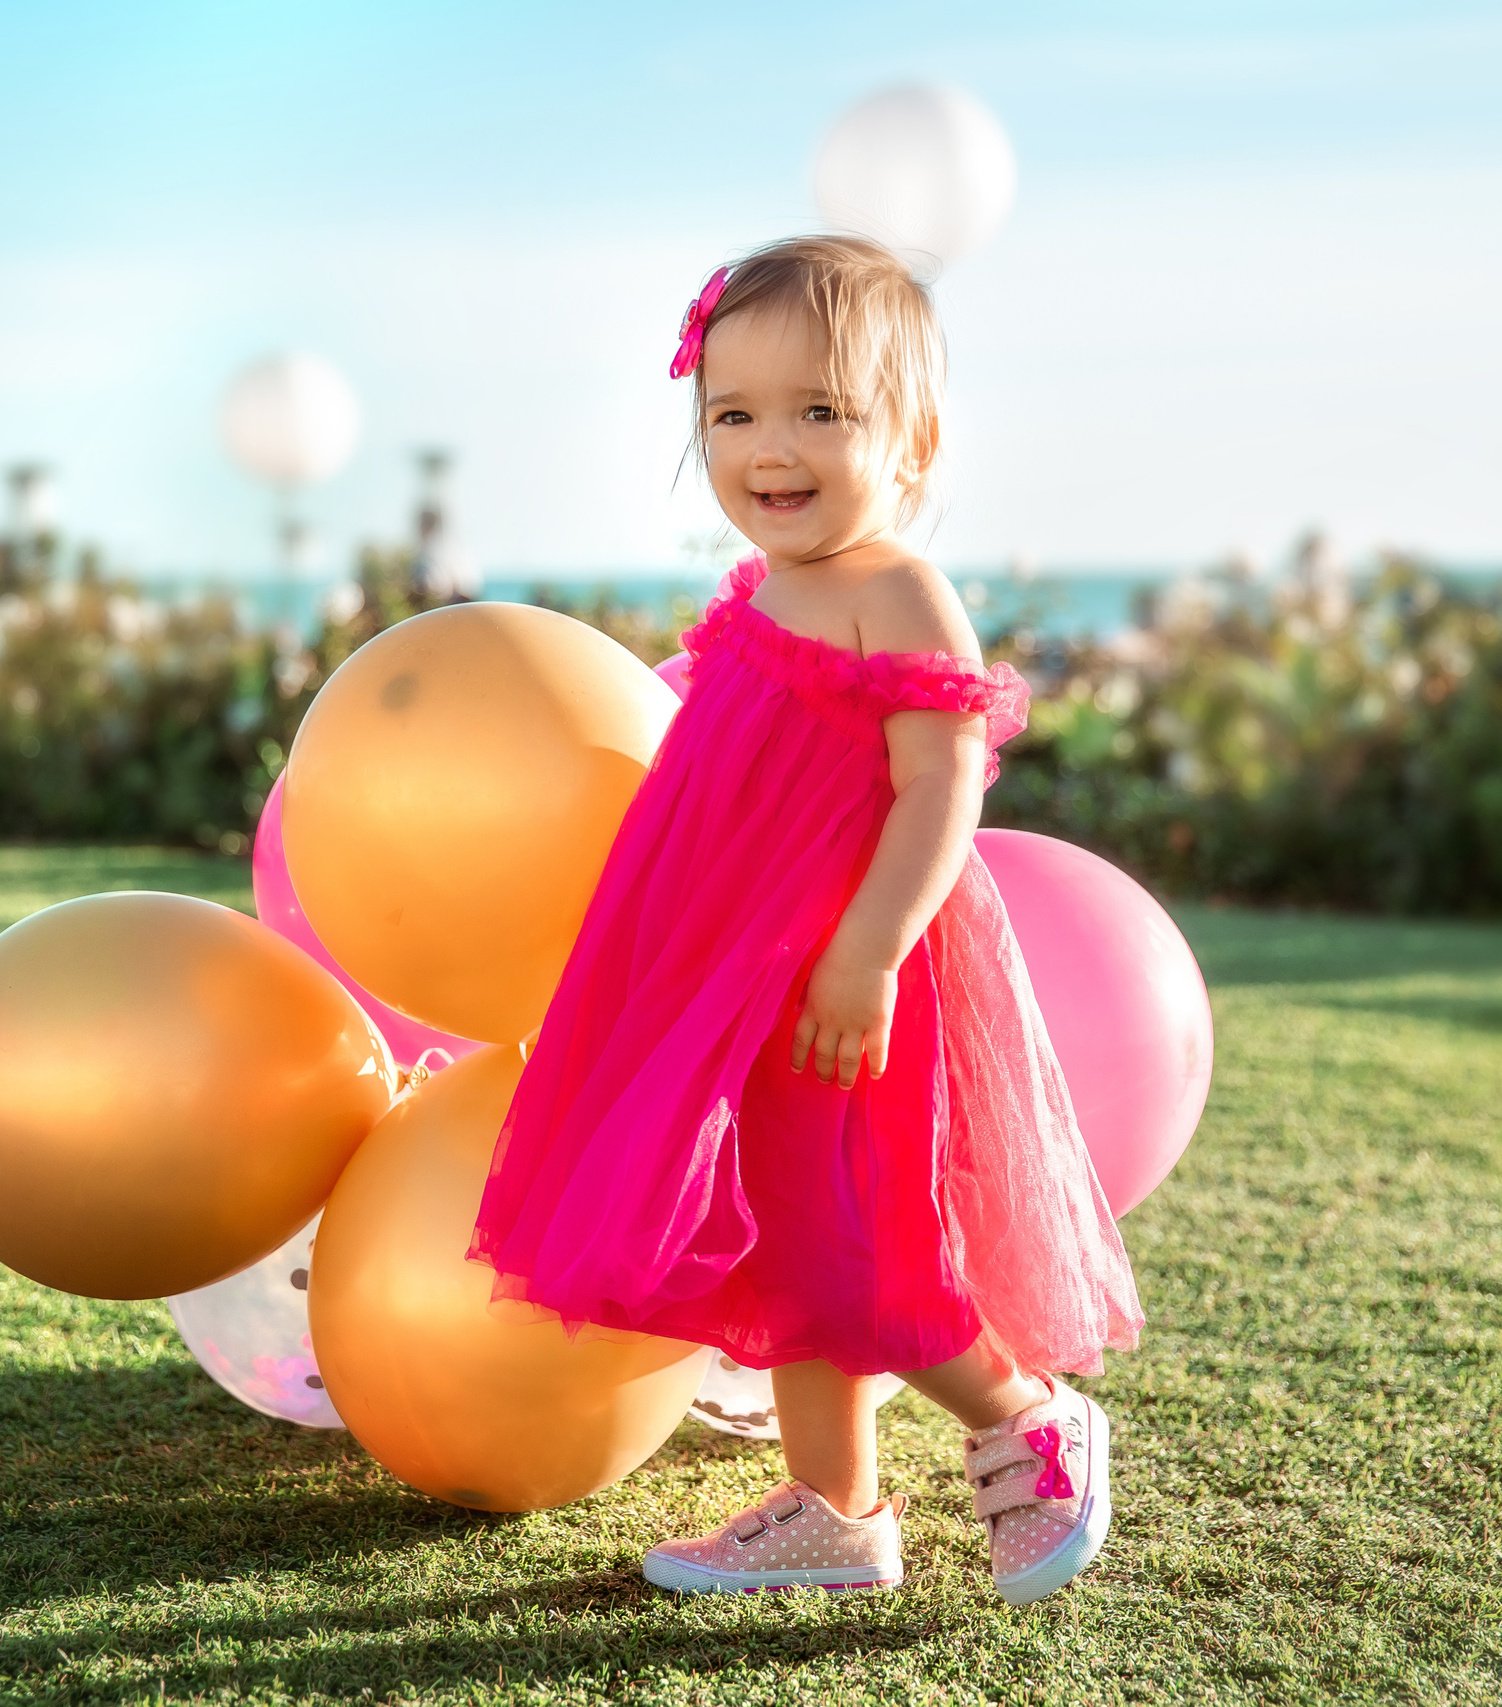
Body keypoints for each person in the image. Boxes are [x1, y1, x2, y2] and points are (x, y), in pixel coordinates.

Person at [471, 235, 1142, 1607]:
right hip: (745, 980)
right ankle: (837, 1511)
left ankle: (1026, 1414)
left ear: (914, 437)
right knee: (779, 1237)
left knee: (859, 1248)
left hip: (844, 972)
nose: (770, 449)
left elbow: (940, 781)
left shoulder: (896, 590)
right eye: (733, 414)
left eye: (821, 412)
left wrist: (868, 952)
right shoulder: (766, 591)